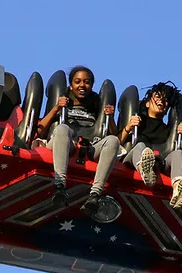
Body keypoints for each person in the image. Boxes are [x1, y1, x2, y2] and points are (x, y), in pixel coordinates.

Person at [36, 66, 121, 216]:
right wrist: (56, 108)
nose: (82, 85)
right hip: (63, 143)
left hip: (89, 146)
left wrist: (111, 117)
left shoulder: (96, 103)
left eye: (87, 82)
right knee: (62, 128)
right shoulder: (64, 100)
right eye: (78, 82)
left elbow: (116, 136)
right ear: (71, 85)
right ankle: (60, 186)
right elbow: (41, 130)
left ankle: (94, 195)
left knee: (113, 140)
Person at [117, 82, 182, 209]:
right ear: (147, 103)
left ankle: (178, 189)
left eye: (166, 100)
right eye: (158, 96)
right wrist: (129, 127)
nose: (162, 101)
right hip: (131, 160)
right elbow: (116, 143)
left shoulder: (168, 131)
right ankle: (145, 170)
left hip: (159, 163)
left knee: (177, 153)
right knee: (140, 146)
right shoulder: (138, 122)